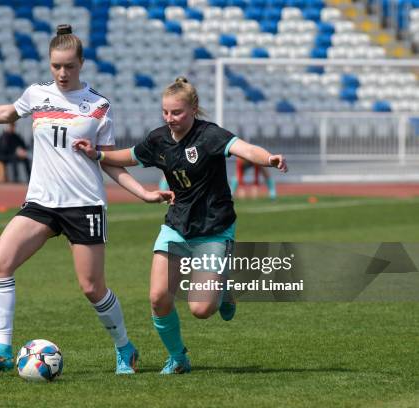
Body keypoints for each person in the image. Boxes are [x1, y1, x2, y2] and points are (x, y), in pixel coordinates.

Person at [0, 24, 173, 375]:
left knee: (91, 287)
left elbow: (109, 163)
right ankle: (1, 348)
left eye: (69, 66)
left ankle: (125, 348)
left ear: (81, 63)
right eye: (56, 66)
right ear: (49, 63)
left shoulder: (98, 106)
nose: (62, 73)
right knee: (1, 263)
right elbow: (6, 114)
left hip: (84, 204)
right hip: (42, 202)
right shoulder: (36, 95)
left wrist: (144, 193)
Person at [73, 77, 288, 374]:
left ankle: (223, 288)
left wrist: (268, 158)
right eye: (165, 112)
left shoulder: (209, 135)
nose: (170, 119)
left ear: (194, 109)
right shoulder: (159, 139)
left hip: (214, 227)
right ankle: (178, 358)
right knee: (158, 298)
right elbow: (129, 156)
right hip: (176, 225)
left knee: (201, 310)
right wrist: (96, 153)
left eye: (177, 113)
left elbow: (245, 149)